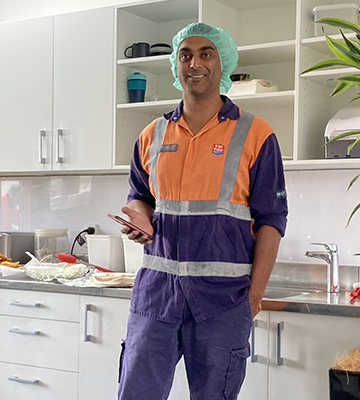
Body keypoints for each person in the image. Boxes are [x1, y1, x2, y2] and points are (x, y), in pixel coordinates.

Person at [117, 22, 288, 400]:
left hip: (223, 303)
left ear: (222, 63)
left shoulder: (256, 134)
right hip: (155, 299)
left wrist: (253, 299)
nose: (195, 63)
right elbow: (139, 195)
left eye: (206, 53)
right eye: (186, 54)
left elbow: (272, 223)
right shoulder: (152, 134)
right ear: (176, 65)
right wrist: (138, 216)